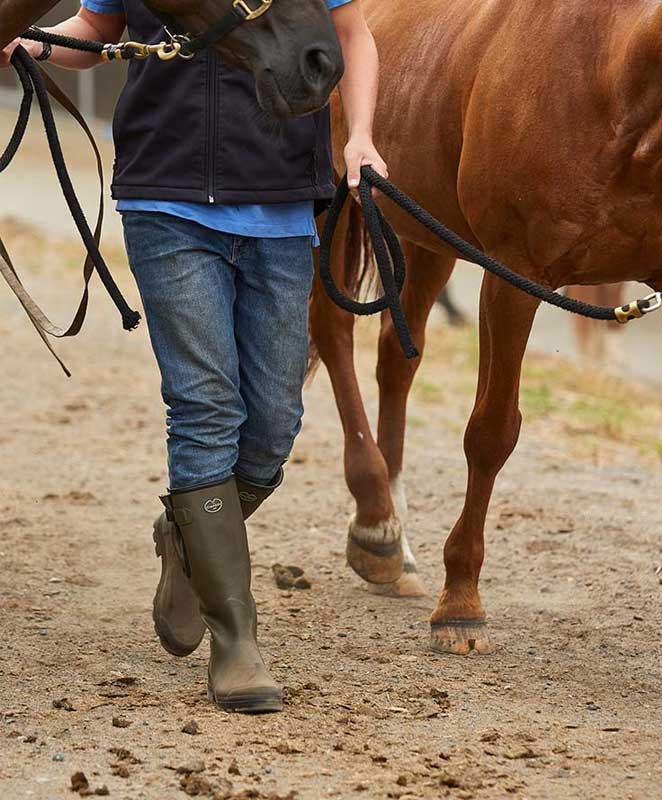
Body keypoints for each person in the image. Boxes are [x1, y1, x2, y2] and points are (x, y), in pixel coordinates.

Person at [2, 0, 387, 714]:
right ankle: (236, 641)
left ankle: (188, 530)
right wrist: (33, 44)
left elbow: (351, 32)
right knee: (205, 405)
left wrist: (359, 136)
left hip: (282, 201)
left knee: (272, 425)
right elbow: (96, 28)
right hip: (167, 196)